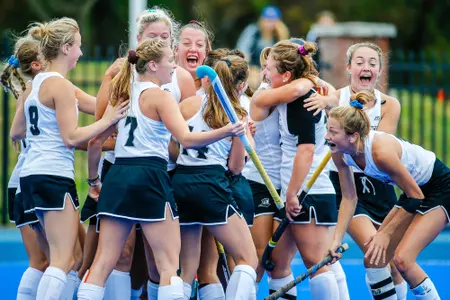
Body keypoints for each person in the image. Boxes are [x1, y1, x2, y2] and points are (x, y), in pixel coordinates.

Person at [77, 38, 246, 300]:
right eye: (170, 61)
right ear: (153, 65)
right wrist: (227, 131)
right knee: (168, 266)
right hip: (150, 176)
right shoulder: (161, 97)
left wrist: (94, 181)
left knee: (102, 264)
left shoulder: (123, 93)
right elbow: (186, 140)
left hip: (118, 176)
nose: (174, 67)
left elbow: (96, 142)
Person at [12, 17, 128, 300]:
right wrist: (109, 120)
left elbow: (16, 131)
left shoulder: (36, 84)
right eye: (78, 46)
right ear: (65, 48)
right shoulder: (60, 86)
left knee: (64, 258)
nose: (81, 53)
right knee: (62, 260)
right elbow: (72, 137)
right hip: (53, 176)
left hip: (29, 177)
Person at [308, 42, 406, 299]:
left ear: (380, 71)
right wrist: (325, 102)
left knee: (395, 265)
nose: (366, 67)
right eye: (360, 62)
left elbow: (375, 145)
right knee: (375, 251)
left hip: (379, 184)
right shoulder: (335, 98)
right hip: (346, 184)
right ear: (349, 67)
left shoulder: (389, 105)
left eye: (373, 63)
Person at [327, 91, 448, 300]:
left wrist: (385, 233)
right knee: (374, 260)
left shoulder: (379, 153)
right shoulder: (339, 153)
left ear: (353, 135)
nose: (327, 137)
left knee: (402, 260)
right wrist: (336, 239)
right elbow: (349, 198)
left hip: (438, 188)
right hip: (412, 192)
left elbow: (416, 196)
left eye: (332, 131)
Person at [253, 39, 340, 299]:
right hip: (294, 190)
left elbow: (306, 151)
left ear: (286, 74)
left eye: (268, 68)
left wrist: (291, 194)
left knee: (316, 262)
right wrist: (313, 82)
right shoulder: (292, 93)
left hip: (305, 192)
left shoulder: (300, 100)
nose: (265, 73)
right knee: (278, 262)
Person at [170, 53, 257, 300]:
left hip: (182, 181)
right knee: (247, 258)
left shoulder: (187, 105)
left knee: (187, 270)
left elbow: (173, 148)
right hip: (211, 183)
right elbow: (236, 167)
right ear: (241, 86)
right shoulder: (236, 115)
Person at [1, 36, 48, 300]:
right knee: (48, 262)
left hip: (21, 181)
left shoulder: (30, 91)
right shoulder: (37, 91)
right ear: (38, 64)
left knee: (47, 262)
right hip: (30, 181)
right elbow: (15, 133)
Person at [236, 5, 289, 90]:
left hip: (272, 70)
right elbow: (242, 53)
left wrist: (282, 35)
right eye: (267, 20)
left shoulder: (279, 35)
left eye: (273, 21)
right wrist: (248, 68)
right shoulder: (252, 32)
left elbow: (284, 57)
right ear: (261, 20)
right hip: (253, 67)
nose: (269, 24)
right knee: (253, 78)